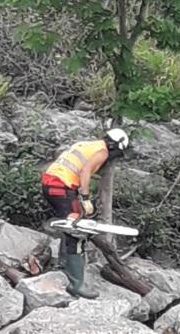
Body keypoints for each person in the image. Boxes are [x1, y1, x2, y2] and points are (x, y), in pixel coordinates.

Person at [41, 128, 129, 298]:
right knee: (77, 231)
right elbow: (85, 171)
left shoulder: (87, 144)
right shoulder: (102, 151)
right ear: (114, 146)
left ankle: (63, 268)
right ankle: (75, 284)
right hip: (61, 187)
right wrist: (85, 197)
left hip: (50, 184)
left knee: (68, 226)